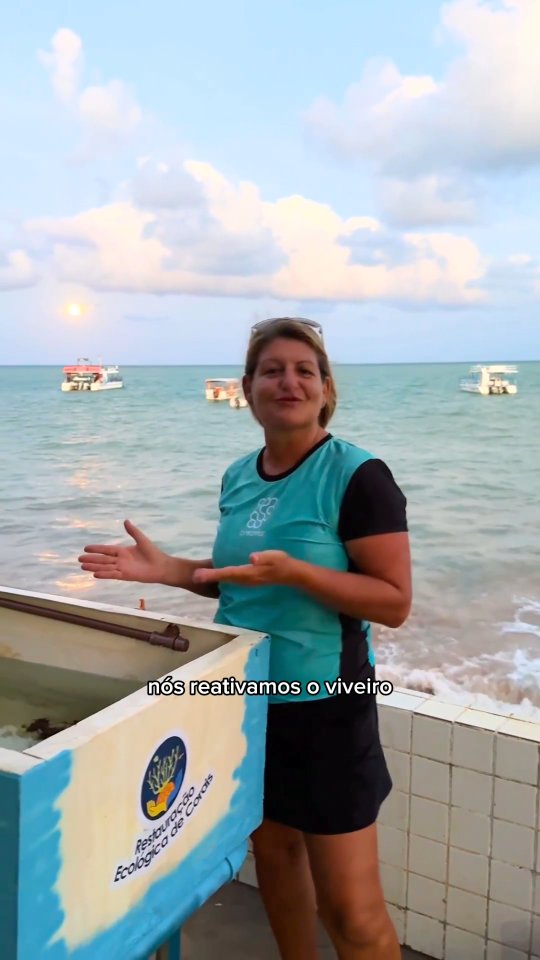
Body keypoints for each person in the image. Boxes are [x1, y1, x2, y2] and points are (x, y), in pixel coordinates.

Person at [78, 317, 411, 960]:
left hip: (325, 705)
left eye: (304, 370)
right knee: (278, 865)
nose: (288, 380)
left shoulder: (358, 476)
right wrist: (167, 570)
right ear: (248, 389)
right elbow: (236, 584)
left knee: (351, 909)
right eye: (272, 370)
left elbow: (394, 603)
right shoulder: (239, 476)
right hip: (248, 700)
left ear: (324, 389)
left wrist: (300, 573)